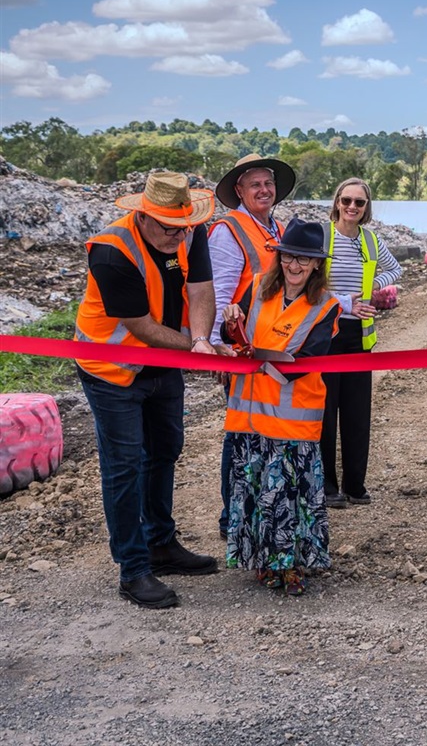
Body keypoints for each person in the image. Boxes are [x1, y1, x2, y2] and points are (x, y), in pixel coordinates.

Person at [75, 172, 222, 609]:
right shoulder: (111, 252)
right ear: (143, 215)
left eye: (181, 227)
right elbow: (143, 329)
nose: (175, 236)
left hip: (164, 363)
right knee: (124, 464)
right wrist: (199, 351)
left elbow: (200, 292)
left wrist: (200, 340)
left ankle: (161, 544)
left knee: (165, 449)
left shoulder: (189, 231)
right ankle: (133, 568)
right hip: (112, 369)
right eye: (166, 228)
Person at [222, 219, 341, 596]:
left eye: (304, 260)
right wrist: (229, 325)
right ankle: (261, 562)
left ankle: (289, 566)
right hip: (250, 418)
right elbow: (234, 336)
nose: (294, 266)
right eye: (289, 256)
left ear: (316, 265)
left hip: (293, 424)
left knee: (291, 499)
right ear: (279, 257)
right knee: (255, 494)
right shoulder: (256, 287)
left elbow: (305, 359)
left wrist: (261, 357)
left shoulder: (327, 305)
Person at [209, 153, 297, 538]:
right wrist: (214, 347)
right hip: (242, 352)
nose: (264, 190)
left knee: (266, 432)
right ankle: (232, 517)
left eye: (268, 183)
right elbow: (218, 294)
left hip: (272, 351)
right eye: (255, 184)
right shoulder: (229, 231)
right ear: (239, 191)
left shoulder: (276, 229)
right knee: (241, 433)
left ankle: (259, 509)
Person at [319, 177, 402, 508]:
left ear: (367, 208)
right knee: (324, 415)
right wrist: (342, 302)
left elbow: (395, 269)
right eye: (347, 200)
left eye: (360, 202)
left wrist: (372, 289)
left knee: (356, 415)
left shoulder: (370, 240)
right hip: (325, 335)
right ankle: (326, 486)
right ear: (337, 201)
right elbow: (306, 285)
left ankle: (355, 485)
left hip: (358, 338)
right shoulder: (322, 236)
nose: (352, 207)